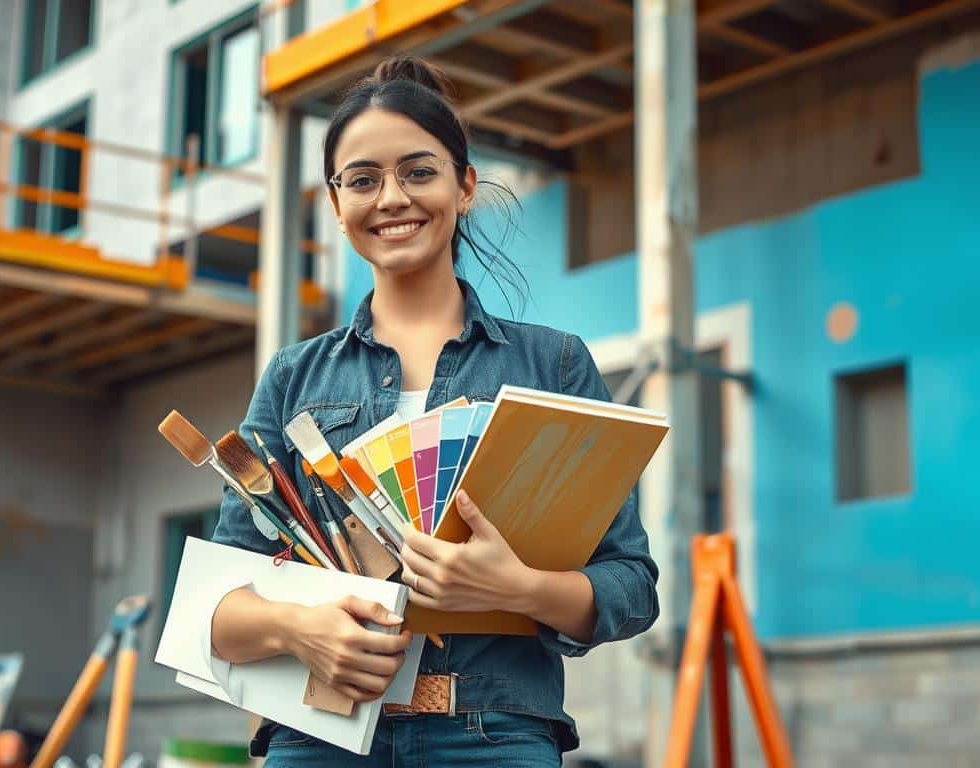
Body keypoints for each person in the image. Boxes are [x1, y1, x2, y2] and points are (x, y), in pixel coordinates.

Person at [207, 56, 659, 767]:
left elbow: (630, 586)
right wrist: (298, 629)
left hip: (495, 735)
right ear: (335, 203)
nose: (392, 198)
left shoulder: (554, 365)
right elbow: (217, 607)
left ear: (465, 185)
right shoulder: (293, 377)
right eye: (363, 179)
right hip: (320, 733)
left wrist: (519, 588)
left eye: (418, 172)